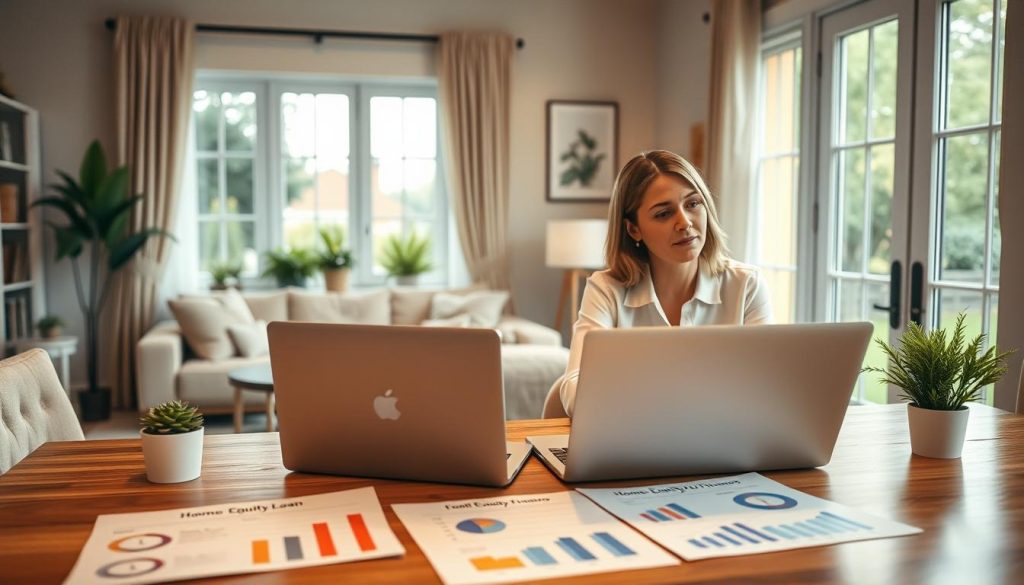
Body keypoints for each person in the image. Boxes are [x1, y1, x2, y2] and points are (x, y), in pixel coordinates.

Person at [558, 150, 772, 416]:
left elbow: (765, 389)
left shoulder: (746, 286)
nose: (684, 222)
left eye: (693, 204)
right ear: (633, 229)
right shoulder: (606, 289)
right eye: (663, 214)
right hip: (633, 445)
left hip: (722, 444)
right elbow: (572, 391)